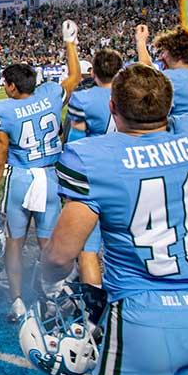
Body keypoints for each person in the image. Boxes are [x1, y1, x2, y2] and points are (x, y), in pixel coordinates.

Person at [42, 64, 188, 375]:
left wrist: (46, 277)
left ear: (112, 106)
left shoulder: (93, 157)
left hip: (143, 319)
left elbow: (61, 255)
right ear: (169, 105)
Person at [0, 20, 81, 322]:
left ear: (11, 86)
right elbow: (75, 76)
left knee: (14, 242)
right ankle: (53, 298)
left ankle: (17, 302)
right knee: (48, 244)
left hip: (22, 179)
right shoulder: (50, 94)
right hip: (50, 178)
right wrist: (69, 42)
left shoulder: (3, 110)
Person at [65, 48, 123, 287]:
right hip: (130, 172)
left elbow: (75, 144)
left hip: (96, 175)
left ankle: (92, 311)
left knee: (88, 248)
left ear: (93, 71)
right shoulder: (132, 95)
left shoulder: (84, 98)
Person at [136, 24, 188, 115]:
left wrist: (140, 41)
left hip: (180, 129)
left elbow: (146, 71)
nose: (161, 57)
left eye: (164, 51)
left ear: (176, 52)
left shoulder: (171, 79)